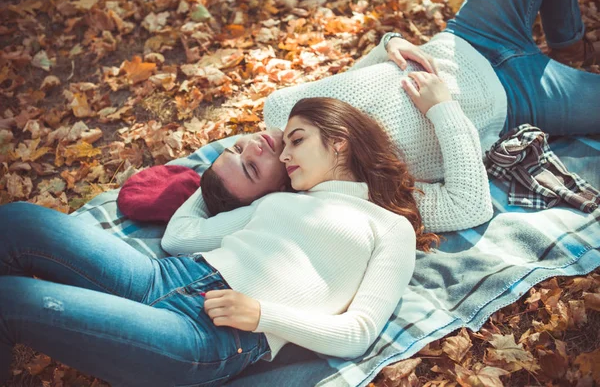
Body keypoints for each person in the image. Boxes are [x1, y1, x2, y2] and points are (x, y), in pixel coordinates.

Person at [0, 96, 438, 385]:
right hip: (162, 277)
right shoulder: (280, 201)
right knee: (17, 221)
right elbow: (180, 237)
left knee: (9, 298)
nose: (283, 156)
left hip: (207, 335)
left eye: (297, 141)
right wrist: (221, 159)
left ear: (340, 144)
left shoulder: (389, 227)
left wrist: (264, 315)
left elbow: (358, 332)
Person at [202, 0, 600, 233]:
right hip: (516, 97)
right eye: (252, 168)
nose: (252, 147)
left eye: (236, 149)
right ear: (276, 195)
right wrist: (443, 109)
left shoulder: (281, 106)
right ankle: (566, 54)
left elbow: (352, 82)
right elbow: (469, 207)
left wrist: (388, 43)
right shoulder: (351, 194)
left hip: (470, 34)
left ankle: (568, 44)